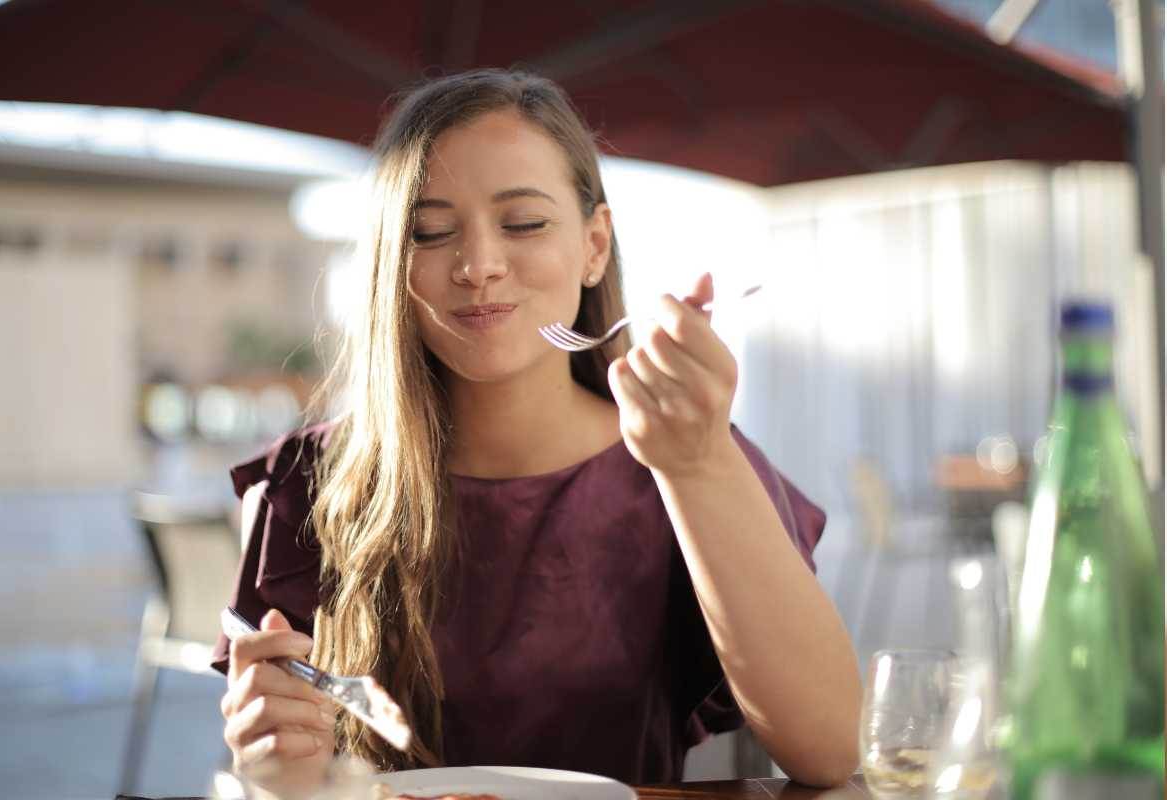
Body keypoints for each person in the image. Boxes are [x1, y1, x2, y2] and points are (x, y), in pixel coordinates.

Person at [213, 68, 861, 797]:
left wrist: (699, 463)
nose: (479, 266)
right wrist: (274, 765)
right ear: (393, 266)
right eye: (430, 232)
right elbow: (290, 767)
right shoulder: (307, 481)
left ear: (594, 245)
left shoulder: (684, 456)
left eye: (523, 223)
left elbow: (830, 751)